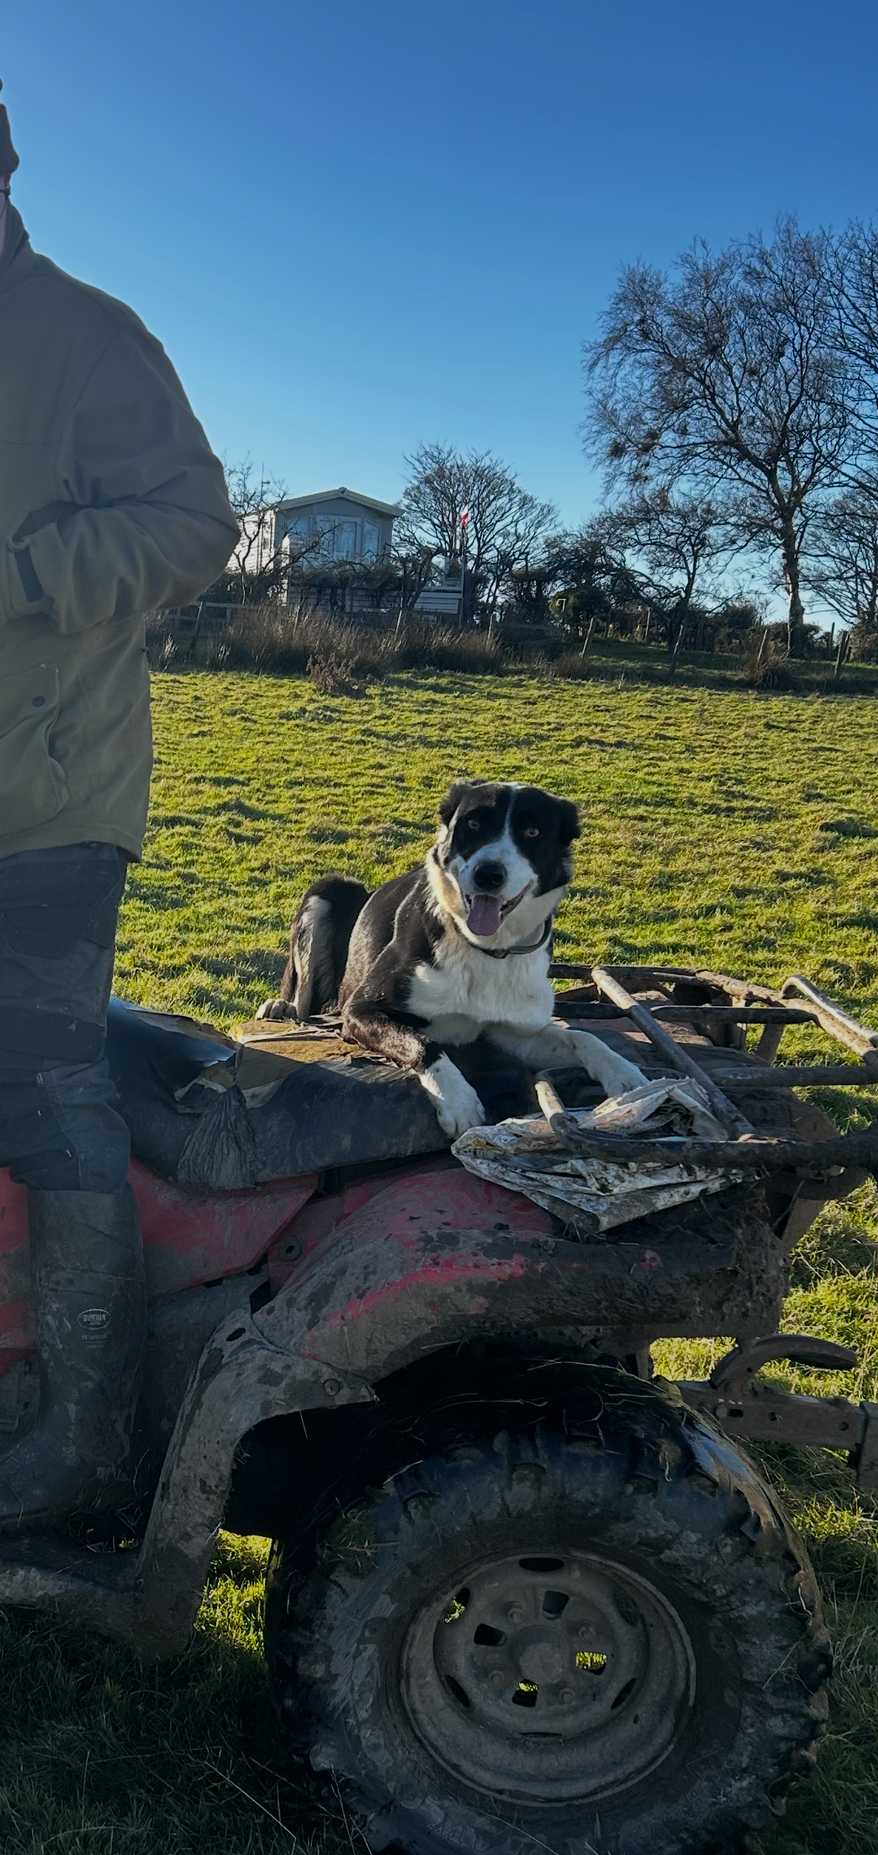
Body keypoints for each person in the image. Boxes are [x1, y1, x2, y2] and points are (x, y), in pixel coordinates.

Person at [0, 83, 239, 1526]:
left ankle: (85, 1440)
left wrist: (21, 574)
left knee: (43, 1085)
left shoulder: (83, 334)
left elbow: (196, 524)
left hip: (46, 799)